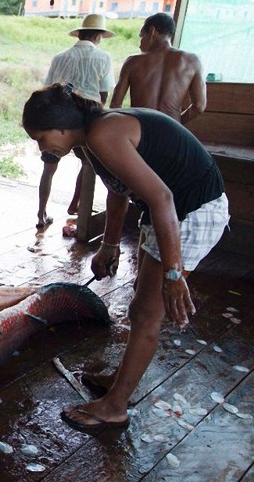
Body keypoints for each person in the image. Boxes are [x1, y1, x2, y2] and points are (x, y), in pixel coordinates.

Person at [22, 83, 229, 433]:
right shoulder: (90, 138)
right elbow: (118, 191)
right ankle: (121, 380)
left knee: (149, 313)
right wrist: (109, 245)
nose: (42, 148)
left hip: (192, 211)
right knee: (138, 309)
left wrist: (174, 275)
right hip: (171, 211)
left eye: (41, 138)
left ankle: (115, 408)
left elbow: (163, 198)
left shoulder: (104, 133)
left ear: (61, 127)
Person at [38, 14, 115, 228]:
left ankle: (41, 213)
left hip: (57, 119)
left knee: (49, 168)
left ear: (79, 33)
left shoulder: (60, 56)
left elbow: (47, 89)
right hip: (85, 121)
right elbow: (103, 95)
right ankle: (77, 205)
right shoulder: (103, 57)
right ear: (98, 36)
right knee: (88, 163)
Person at [110, 13, 206, 124]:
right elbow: (199, 106)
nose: (140, 44)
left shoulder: (133, 62)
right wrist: (176, 125)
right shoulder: (192, 61)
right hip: (172, 129)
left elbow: (115, 105)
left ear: (152, 31)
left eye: (142, 36)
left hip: (140, 129)